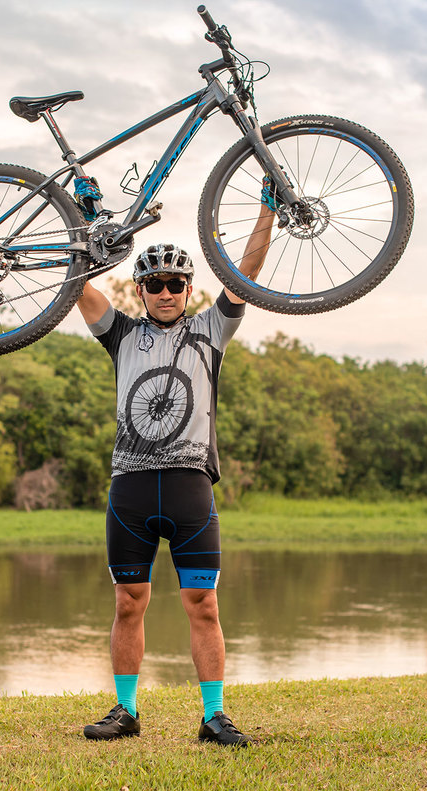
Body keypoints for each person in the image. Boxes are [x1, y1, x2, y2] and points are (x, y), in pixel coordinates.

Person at [76, 203, 274, 747]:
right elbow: (75, 285)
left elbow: (246, 271)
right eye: (155, 284)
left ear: (189, 289)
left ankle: (214, 716)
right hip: (131, 488)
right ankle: (125, 710)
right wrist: (84, 225)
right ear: (140, 290)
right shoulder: (119, 334)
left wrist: (266, 212)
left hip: (190, 487)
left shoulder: (212, 328)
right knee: (128, 602)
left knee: (203, 605)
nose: (165, 293)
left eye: (175, 284)